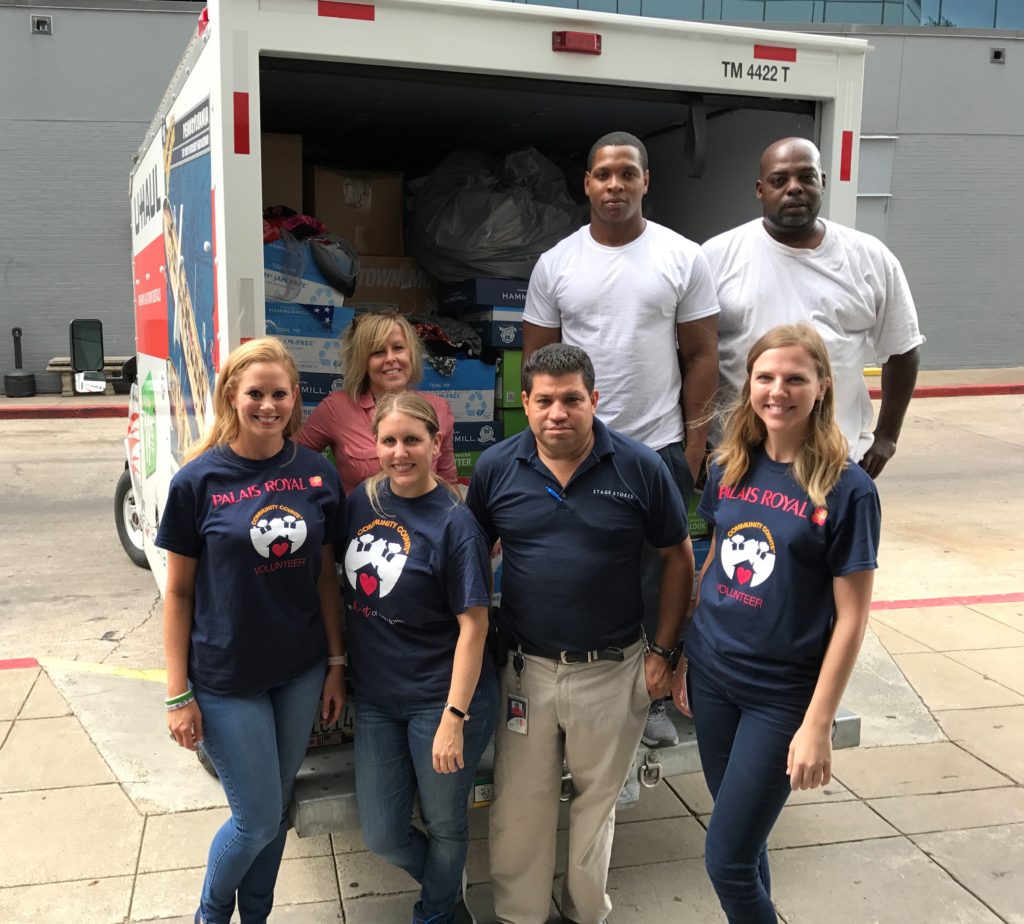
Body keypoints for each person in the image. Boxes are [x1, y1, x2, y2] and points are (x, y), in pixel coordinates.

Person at [467, 343, 694, 924]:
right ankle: (520, 914)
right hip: (527, 671)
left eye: (572, 399)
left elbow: (678, 558)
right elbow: (469, 556)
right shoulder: (496, 467)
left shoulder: (641, 467)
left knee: (599, 803)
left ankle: (584, 911)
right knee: (520, 805)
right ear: (525, 403)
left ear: (596, 399)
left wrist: (664, 652)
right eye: (544, 401)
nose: (557, 413)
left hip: (614, 668)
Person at [672, 323, 880, 923]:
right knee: (746, 842)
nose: (777, 390)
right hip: (713, 676)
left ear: (821, 387)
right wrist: (689, 651)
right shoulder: (729, 464)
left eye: (795, 378)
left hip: (780, 696)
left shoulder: (848, 489)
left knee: (726, 861)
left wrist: (817, 724)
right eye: (766, 377)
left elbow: (851, 619)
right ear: (750, 384)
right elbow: (712, 560)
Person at [522, 130, 719, 747]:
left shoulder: (683, 257)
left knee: (658, 576)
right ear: (586, 182)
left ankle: (650, 697)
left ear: (645, 181)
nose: (615, 185)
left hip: (657, 444)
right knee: (584, 574)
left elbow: (703, 354)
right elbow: (535, 363)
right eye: (603, 174)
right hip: (574, 450)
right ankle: (571, 700)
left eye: (627, 174)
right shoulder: (557, 264)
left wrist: (692, 442)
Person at [158, 337, 347, 924]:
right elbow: (180, 592)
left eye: (280, 394)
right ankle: (211, 915)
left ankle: (256, 916)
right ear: (231, 398)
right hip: (225, 676)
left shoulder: (317, 475)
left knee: (280, 806)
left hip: (298, 669)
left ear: (295, 399)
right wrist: (177, 692)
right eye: (255, 394)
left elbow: (325, 577)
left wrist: (336, 664)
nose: (268, 405)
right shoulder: (198, 481)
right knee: (257, 817)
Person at [341, 390, 498, 924]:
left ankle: (435, 914)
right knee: (383, 832)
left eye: (413, 440)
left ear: (437, 444)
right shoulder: (362, 500)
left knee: (446, 823)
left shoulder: (456, 523)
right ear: (375, 445)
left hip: (441, 698)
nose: (400, 452)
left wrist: (454, 718)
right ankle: (449, 897)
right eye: (388, 440)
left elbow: (474, 626)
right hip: (378, 698)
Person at [702, 136, 925, 478]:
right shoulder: (715, 257)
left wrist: (887, 437)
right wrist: (699, 440)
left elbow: (902, 350)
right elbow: (695, 357)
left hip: (836, 458)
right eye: (779, 180)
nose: (794, 189)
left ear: (822, 181)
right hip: (740, 457)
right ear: (760, 190)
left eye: (806, 177)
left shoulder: (870, 258)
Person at [296, 311, 458, 494]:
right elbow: (290, 461)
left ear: (411, 353)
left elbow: (448, 482)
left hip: (425, 521)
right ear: (362, 362)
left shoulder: (439, 408)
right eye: (378, 352)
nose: (390, 358)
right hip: (361, 521)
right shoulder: (337, 408)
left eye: (398, 348)